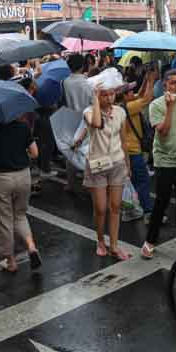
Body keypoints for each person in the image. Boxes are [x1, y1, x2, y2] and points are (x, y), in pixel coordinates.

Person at [72, 69, 131, 260]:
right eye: (104, 94)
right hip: (96, 164)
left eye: (111, 93)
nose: (109, 97)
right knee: (101, 208)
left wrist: (127, 164)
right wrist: (96, 100)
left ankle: (114, 245)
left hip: (117, 163)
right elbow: (96, 123)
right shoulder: (89, 112)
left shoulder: (121, 112)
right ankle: (100, 240)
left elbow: (123, 140)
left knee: (115, 206)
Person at [140, 69, 176, 259]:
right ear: (165, 84)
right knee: (161, 202)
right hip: (164, 160)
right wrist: (171, 108)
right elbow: (163, 131)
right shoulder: (156, 105)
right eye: (173, 83)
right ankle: (149, 242)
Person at [0, 116, 41, 273]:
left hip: (0, 178)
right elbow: (35, 153)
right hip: (24, 176)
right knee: (20, 215)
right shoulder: (23, 126)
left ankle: (10, 261)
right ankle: (31, 247)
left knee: (4, 219)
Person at [120, 68, 156, 221]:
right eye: (129, 92)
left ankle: (130, 210)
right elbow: (147, 98)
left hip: (127, 151)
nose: (132, 93)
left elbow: (140, 94)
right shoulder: (129, 107)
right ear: (124, 96)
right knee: (143, 181)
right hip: (133, 151)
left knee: (134, 182)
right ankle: (148, 211)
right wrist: (153, 80)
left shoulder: (124, 105)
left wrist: (146, 79)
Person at [62, 53, 93, 193]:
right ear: (82, 65)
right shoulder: (89, 82)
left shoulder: (64, 82)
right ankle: (88, 182)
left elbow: (61, 102)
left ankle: (70, 183)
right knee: (87, 151)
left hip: (70, 118)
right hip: (87, 120)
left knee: (70, 152)